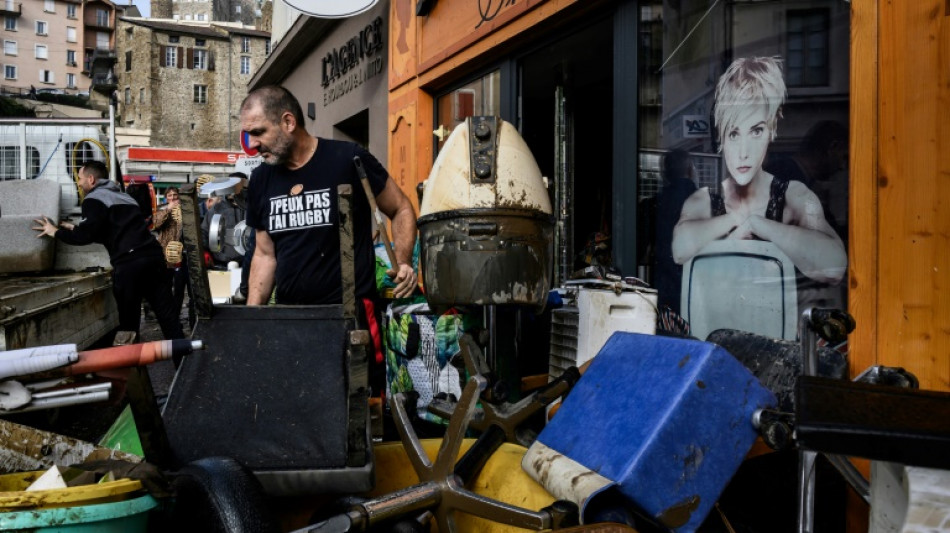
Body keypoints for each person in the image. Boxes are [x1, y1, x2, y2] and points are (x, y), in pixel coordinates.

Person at [671, 57, 846, 285]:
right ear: (721, 139)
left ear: (771, 130)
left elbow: (834, 267)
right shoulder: (703, 201)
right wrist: (735, 219)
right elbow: (679, 249)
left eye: (756, 131)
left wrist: (759, 224)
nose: (744, 152)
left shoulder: (793, 195)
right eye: (734, 134)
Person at [240, 85, 417, 306]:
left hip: (351, 316)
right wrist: (252, 320)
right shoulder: (260, 179)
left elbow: (400, 207)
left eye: (258, 132)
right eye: (249, 135)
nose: (253, 144)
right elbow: (264, 255)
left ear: (288, 122)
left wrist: (403, 262)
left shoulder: (348, 159)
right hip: (291, 320)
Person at [32, 161, 185, 344]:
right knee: (168, 318)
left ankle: (133, 369)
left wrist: (54, 232)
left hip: (129, 265)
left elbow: (85, 237)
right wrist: (73, 227)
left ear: (91, 179)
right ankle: (185, 363)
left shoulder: (93, 199)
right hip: (153, 257)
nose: (79, 184)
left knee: (129, 325)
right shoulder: (126, 198)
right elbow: (112, 232)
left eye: (80, 179)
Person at [653, 149, 698, 314]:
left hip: (664, 281)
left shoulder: (658, 201)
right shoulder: (703, 200)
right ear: (690, 170)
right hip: (694, 280)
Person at [152, 187, 191, 328]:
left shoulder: (186, 210)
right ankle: (171, 320)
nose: (173, 198)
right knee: (166, 287)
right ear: (166, 197)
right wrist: (168, 209)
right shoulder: (162, 209)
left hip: (181, 254)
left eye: (175, 195)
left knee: (180, 288)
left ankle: (176, 318)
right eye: (170, 195)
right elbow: (156, 224)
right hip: (166, 254)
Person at [200, 173, 247, 269]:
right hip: (220, 263)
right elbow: (204, 232)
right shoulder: (216, 209)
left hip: (248, 263)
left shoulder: (253, 208)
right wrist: (205, 252)